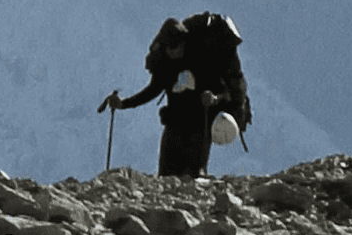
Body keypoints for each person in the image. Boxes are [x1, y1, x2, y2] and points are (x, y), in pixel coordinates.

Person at [100, 12, 251, 179]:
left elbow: (228, 90)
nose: (173, 53)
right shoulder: (164, 62)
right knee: (166, 175)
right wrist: (123, 104)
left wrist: (215, 99)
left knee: (192, 174)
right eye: (169, 49)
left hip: (200, 121)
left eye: (176, 47)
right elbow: (153, 90)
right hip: (175, 120)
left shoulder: (205, 56)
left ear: (184, 42)